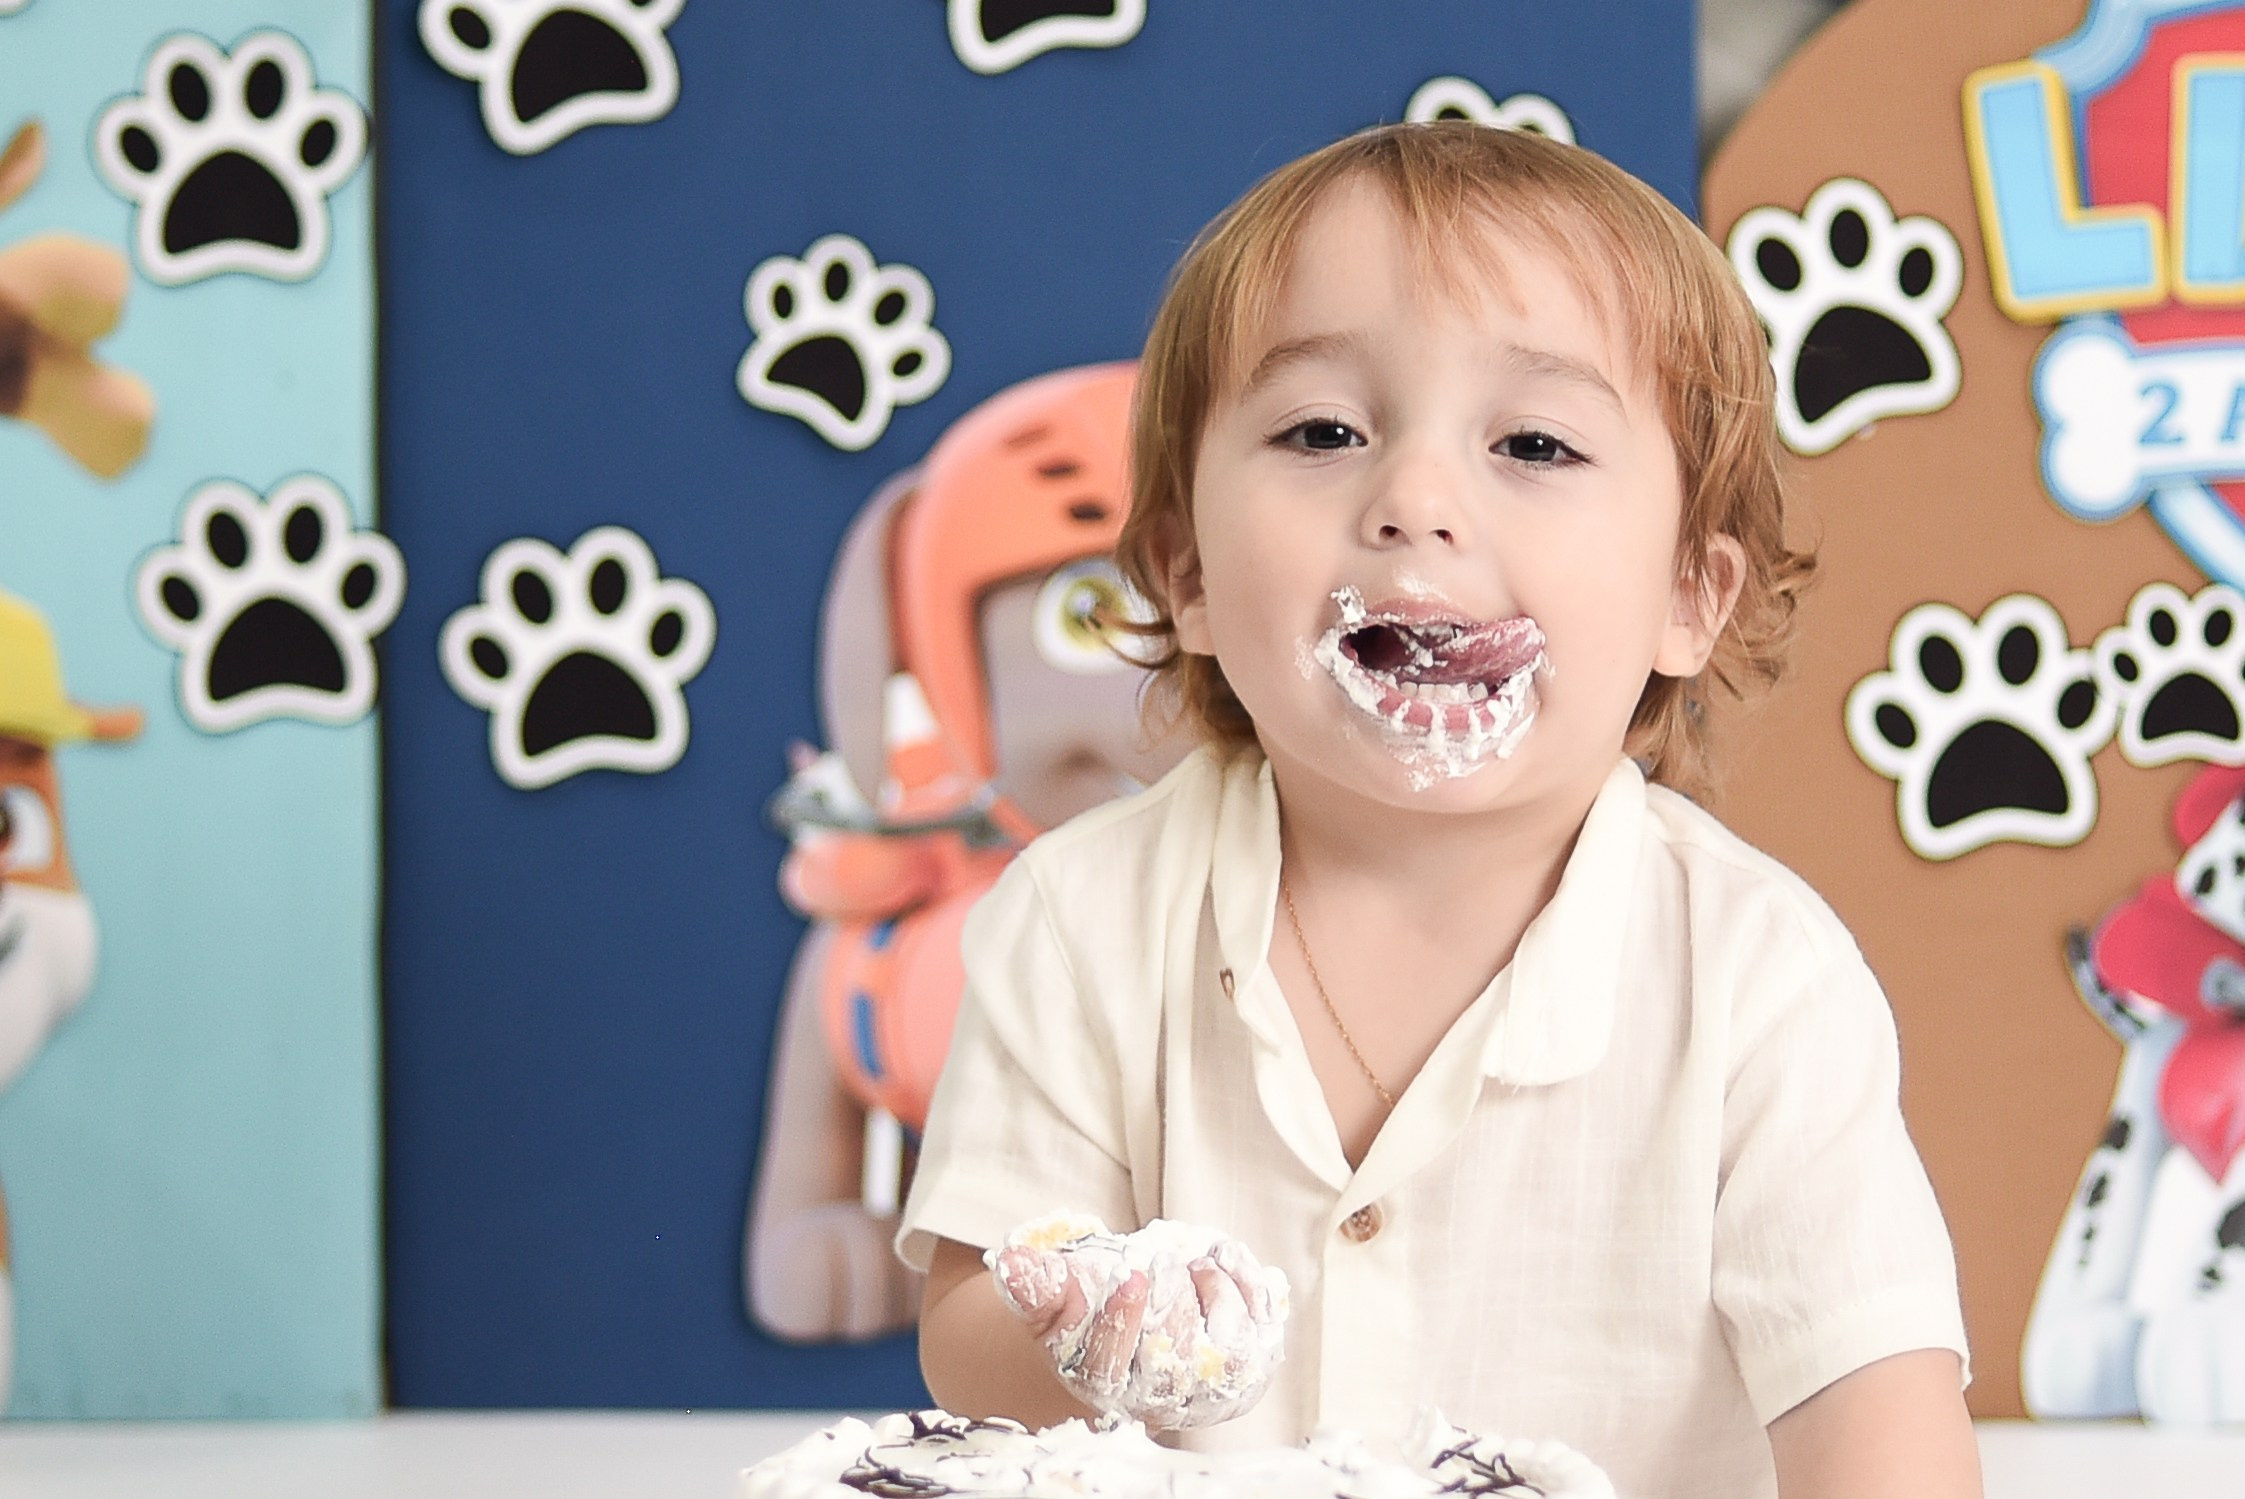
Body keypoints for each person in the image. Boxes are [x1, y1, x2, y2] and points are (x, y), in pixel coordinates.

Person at [899, 122, 1978, 1499]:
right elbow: (967, 1327)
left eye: (1532, 442)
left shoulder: (1757, 976)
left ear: (1685, 599)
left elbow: (1871, 1410)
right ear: (1186, 577)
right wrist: (1091, 1339)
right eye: (1322, 431)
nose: (1413, 499)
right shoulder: (1078, 918)